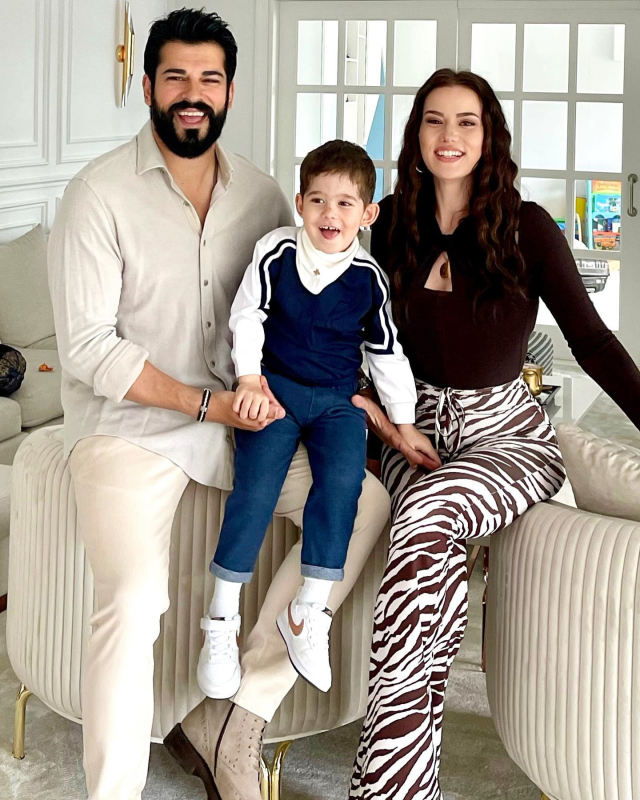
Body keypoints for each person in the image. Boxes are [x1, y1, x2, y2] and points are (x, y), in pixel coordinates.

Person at [48, 10, 400, 800]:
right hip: (132, 428)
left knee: (364, 505)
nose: (192, 93)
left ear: (230, 92)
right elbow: (89, 350)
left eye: (209, 78)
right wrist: (206, 405)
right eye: (175, 76)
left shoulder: (267, 195)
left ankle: (235, 717)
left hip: (249, 425)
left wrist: (352, 397)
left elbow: (301, 311)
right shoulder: (96, 195)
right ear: (148, 86)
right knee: (131, 599)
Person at [348, 68, 640, 800]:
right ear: (416, 135)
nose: (449, 136)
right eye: (434, 120)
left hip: (507, 440)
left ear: (490, 137)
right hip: (414, 436)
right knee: (430, 584)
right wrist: (382, 425)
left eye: (466, 122)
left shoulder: (527, 226)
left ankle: (380, 787)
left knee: (427, 515)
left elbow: (593, 342)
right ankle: (404, 781)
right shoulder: (386, 224)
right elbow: (343, 338)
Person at [197, 140, 435, 699]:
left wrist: (402, 422)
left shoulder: (369, 278)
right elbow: (247, 316)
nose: (331, 214)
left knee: (344, 485)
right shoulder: (277, 252)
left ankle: (309, 611)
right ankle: (221, 620)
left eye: (346, 203)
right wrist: (248, 379)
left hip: (336, 402)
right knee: (256, 488)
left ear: (367, 214)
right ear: (300, 202)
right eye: (319, 200)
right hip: (273, 392)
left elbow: (386, 353)